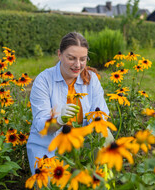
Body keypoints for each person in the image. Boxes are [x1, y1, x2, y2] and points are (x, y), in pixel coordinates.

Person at [26, 32, 111, 174]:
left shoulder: (91, 79)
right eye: (71, 58)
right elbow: (41, 126)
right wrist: (59, 120)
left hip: (82, 143)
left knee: (105, 135)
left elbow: (102, 115)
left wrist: (90, 129)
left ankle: (104, 184)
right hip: (48, 145)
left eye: (83, 59)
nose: (78, 65)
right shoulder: (44, 81)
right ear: (59, 54)